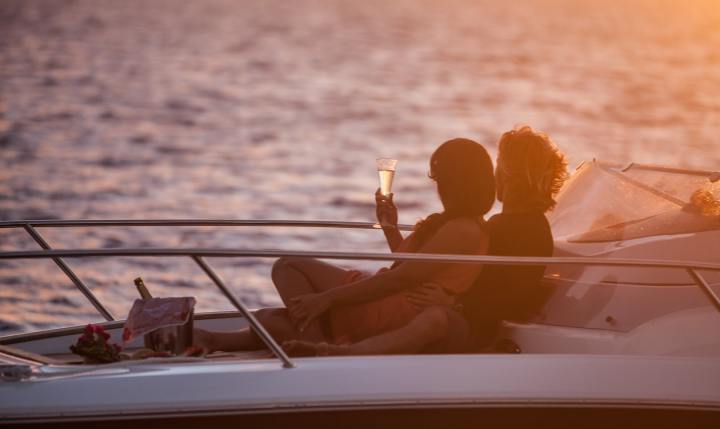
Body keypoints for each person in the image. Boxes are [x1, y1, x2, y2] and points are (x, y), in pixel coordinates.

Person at [285, 125, 568, 355]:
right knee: (275, 317)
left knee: (435, 319)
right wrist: (391, 230)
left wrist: (455, 304)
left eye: (499, 166)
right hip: (448, 311)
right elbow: (429, 267)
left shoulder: (527, 231)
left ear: (511, 176)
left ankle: (344, 352)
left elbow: (511, 299)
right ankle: (322, 341)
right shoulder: (498, 224)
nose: (493, 175)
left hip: (472, 327)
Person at [193, 138, 496, 353]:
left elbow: (403, 278)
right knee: (287, 269)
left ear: (460, 181)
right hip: (384, 292)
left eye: (442, 178)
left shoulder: (464, 229)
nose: (439, 186)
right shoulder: (447, 222)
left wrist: (327, 299)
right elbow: (407, 265)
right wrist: (390, 228)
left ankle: (316, 345)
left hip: (393, 310)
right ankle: (312, 337)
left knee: (276, 317)